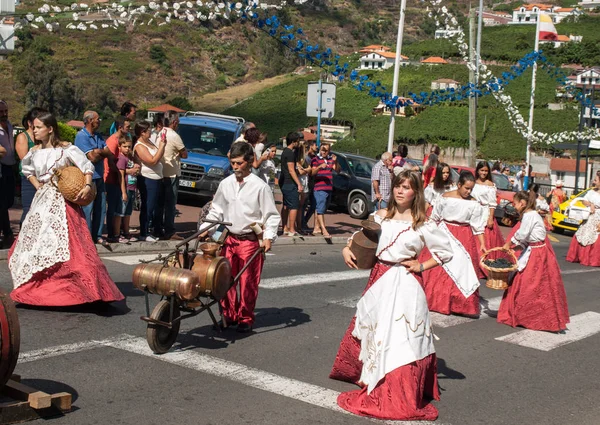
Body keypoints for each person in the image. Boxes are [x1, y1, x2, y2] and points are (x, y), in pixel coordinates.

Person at [330, 170, 452, 420]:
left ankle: (398, 389)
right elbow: (359, 237)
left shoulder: (423, 224)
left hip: (406, 283)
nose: (400, 190)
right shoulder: (380, 217)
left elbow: (446, 252)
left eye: (406, 187)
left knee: (401, 337)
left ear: (415, 192)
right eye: (398, 185)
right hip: (379, 280)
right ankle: (373, 376)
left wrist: (421, 265)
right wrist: (345, 249)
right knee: (378, 331)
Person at [8, 112, 124, 306]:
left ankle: (85, 291)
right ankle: (39, 289)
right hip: (43, 201)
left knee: (74, 249)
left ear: (50, 129)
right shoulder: (34, 151)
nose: (34, 131)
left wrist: (87, 186)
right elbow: (27, 171)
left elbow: (86, 166)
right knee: (33, 247)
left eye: (38, 127)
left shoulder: (66, 149)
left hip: (64, 202)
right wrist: (39, 187)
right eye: (34, 127)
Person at [199, 142, 280, 333]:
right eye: (232, 163)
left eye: (238, 163)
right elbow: (216, 210)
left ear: (250, 162)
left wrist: (268, 237)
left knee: (247, 282)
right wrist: (206, 228)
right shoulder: (225, 184)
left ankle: (245, 318)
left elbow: (271, 215)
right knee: (223, 280)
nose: (235, 167)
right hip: (229, 238)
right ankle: (228, 316)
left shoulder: (260, 187)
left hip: (250, 240)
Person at [498, 190, 570, 332]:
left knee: (529, 283)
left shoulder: (529, 215)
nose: (515, 206)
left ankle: (530, 315)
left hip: (538, 253)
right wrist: (517, 246)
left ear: (523, 203)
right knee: (527, 281)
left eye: (516, 203)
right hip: (534, 249)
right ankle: (527, 314)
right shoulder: (530, 215)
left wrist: (509, 243)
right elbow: (528, 237)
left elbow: (523, 233)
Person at [420, 171, 487, 316]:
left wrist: (482, 243)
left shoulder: (474, 203)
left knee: (463, 269)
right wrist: (429, 235)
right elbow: (434, 218)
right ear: (459, 185)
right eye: (466, 188)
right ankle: (437, 300)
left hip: (464, 236)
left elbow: (477, 226)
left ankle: (459, 304)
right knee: (440, 267)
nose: (468, 191)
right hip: (444, 234)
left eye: (471, 189)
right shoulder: (444, 198)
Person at [74, 110, 115, 245]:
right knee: (87, 208)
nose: (99, 121)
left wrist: (99, 152)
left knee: (100, 207)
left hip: (99, 177)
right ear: (90, 120)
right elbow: (91, 157)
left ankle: (97, 235)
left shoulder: (98, 136)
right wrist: (98, 152)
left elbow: (109, 152)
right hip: (87, 178)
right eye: (98, 119)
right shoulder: (81, 136)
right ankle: (86, 237)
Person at [155, 110, 187, 240]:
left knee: (159, 203)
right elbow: (184, 154)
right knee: (170, 203)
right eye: (178, 122)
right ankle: (169, 229)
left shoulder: (158, 133)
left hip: (159, 172)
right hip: (171, 173)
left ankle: (157, 228)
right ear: (174, 122)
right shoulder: (174, 136)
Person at [134, 121, 166, 242]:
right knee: (148, 205)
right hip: (148, 179)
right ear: (142, 133)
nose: (151, 132)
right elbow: (152, 161)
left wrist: (162, 145)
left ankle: (153, 229)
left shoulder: (149, 142)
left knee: (156, 206)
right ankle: (144, 232)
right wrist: (162, 146)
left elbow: (158, 156)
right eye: (149, 131)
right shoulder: (139, 146)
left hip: (158, 177)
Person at [15, 107, 47, 226]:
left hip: (42, 178)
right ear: (30, 122)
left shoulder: (41, 138)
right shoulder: (23, 137)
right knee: (28, 209)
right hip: (28, 178)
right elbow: (25, 161)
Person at [104, 115, 131, 242]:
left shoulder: (121, 140)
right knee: (112, 209)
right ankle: (112, 234)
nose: (129, 129)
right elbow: (111, 161)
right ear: (120, 127)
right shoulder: (113, 141)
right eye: (127, 127)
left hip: (117, 178)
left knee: (116, 208)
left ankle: (116, 232)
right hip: (111, 178)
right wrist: (125, 171)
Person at [566, 171, 600, 267]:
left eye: (596, 180)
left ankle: (593, 259)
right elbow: (584, 200)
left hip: (598, 218)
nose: (594, 182)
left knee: (596, 236)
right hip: (589, 216)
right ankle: (581, 256)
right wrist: (590, 204)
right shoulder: (591, 191)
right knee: (583, 233)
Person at [472, 161, 505, 253]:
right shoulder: (473, 182)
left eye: (486, 171)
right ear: (478, 170)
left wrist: (490, 218)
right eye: (482, 170)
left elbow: (492, 204)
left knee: (486, 237)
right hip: (473, 211)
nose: (484, 173)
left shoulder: (490, 185)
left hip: (485, 213)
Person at [310, 143, 340, 238]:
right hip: (319, 188)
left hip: (328, 188)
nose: (324, 152)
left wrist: (335, 162)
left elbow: (338, 170)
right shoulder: (315, 159)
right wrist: (319, 167)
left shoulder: (330, 160)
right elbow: (312, 172)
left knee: (322, 208)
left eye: (326, 150)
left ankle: (317, 227)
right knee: (320, 209)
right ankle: (324, 229)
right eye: (322, 149)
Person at [115, 137, 139, 243]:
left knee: (128, 212)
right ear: (119, 147)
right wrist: (123, 192)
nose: (127, 149)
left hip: (132, 188)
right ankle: (116, 234)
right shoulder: (121, 159)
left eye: (129, 146)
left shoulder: (130, 158)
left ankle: (126, 232)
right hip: (125, 189)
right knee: (120, 212)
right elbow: (121, 175)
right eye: (125, 146)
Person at [279, 132, 303, 236]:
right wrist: (299, 184)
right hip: (290, 182)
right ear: (294, 142)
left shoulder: (285, 152)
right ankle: (292, 229)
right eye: (297, 141)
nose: (298, 143)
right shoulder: (290, 153)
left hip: (284, 182)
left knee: (286, 205)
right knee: (294, 205)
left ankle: (285, 227)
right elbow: (291, 170)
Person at [0, 100, 16, 249]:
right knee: (2, 204)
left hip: (10, 166)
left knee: (9, 201)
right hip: (1, 167)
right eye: (1, 112)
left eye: (6, 111)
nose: (4, 114)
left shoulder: (9, 125)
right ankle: (7, 233)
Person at [302, 139, 318, 232]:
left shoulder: (314, 157)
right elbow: (310, 171)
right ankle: (301, 223)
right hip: (306, 183)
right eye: (315, 145)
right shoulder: (306, 158)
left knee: (313, 205)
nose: (317, 147)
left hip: (312, 184)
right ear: (311, 146)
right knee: (303, 205)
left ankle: (304, 221)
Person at [295, 141, 311, 234]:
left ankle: (300, 226)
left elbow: (309, 169)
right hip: (299, 183)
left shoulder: (305, 160)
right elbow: (300, 172)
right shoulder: (296, 159)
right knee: (297, 206)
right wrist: (306, 170)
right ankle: (295, 227)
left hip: (305, 183)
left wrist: (304, 170)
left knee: (301, 207)